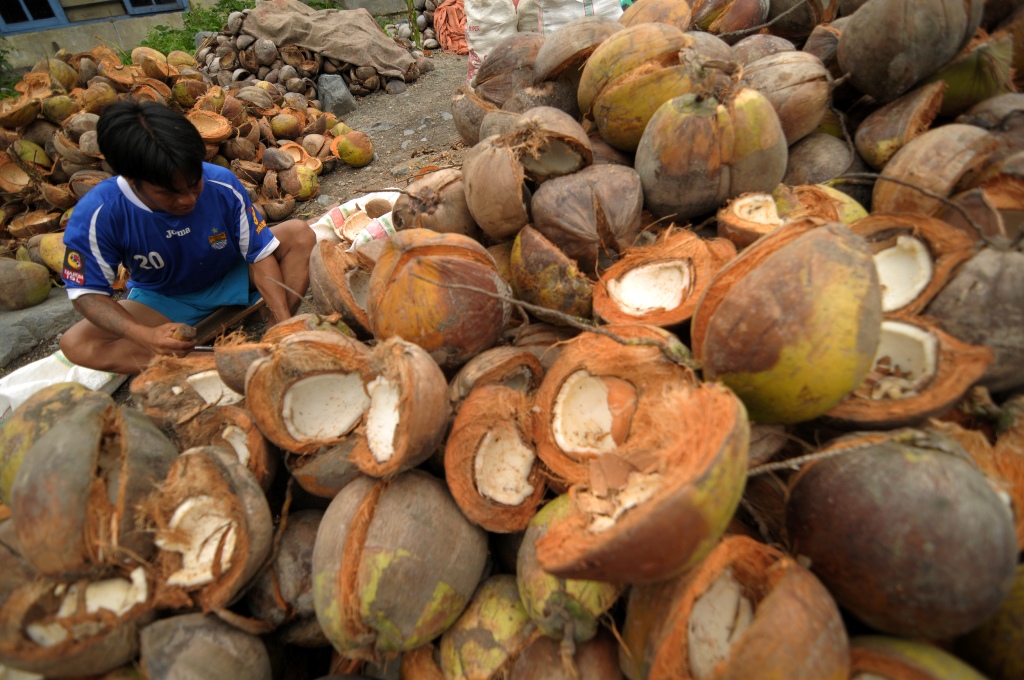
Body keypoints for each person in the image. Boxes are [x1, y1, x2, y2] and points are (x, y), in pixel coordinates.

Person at [59, 99, 316, 375]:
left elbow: (259, 254)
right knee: (76, 343)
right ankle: (207, 364)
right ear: (132, 180)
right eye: (170, 193)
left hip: (232, 275)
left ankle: (271, 336)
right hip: (165, 299)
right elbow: (87, 294)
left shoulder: (221, 183)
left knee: (299, 234)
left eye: (194, 184)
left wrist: (285, 323)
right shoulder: (98, 213)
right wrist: (143, 335)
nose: (188, 199)